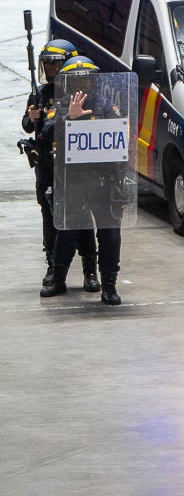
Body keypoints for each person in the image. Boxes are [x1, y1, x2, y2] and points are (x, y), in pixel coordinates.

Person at [38, 56, 126, 304]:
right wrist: (70, 119)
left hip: (103, 181)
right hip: (73, 182)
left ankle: (109, 285)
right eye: (76, 80)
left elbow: (121, 134)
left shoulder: (108, 105)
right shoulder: (61, 107)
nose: (82, 85)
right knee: (66, 232)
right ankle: (58, 278)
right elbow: (46, 134)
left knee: (109, 234)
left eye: (86, 79)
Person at [22, 38, 89, 292]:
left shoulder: (79, 89)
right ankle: (52, 266)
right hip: (47, 165)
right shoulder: (40, 93)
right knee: (50, 217)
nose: (49, 70)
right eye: (46, 65)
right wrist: (32, 117)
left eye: (54, 64)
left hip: (75, 165)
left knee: (81, 216)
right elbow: (28, 126)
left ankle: (88, 269)